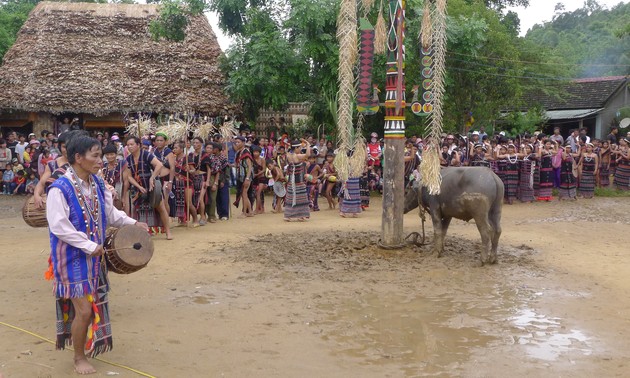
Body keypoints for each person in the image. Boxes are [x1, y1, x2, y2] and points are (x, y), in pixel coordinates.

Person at [46, 135, 148, 375]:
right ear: (78, 158)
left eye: (100, 155)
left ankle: (85, 345)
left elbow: (111, 214)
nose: (100, 160)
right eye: (95, 155)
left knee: (91, 307)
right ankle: (79, 357)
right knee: (83, 310)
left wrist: (134, 223)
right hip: (71, 259)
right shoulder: (59, 188)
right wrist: (89, 245)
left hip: (94, 257)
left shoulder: (98, 185)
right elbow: (59, 226)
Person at [124, 137, 172, 239]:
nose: (130, 147)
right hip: (138, 188)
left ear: (138, 145)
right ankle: (140, 232)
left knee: (161, 207)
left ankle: (168, 231)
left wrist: (152, 177)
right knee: (136, 209)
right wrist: (138, 186)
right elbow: (129, 176)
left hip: (152, 186)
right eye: (128, 145)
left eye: (132, 144)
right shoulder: (128, 159)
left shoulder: (146, 154)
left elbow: (159, 165)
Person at [284, 139, 311, 221]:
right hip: (298, 181)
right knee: (301, 198)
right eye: (299, 148)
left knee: (291, 198)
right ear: (296, 148)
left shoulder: (288, 155)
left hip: (291, 181)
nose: (300, 149)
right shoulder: (298, 156)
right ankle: (301, 215)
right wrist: (308, 144)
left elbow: (287, 149)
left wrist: (289, 146)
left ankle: (289, 215)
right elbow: (308, 154)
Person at [233, 136, 254, 217]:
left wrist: (247, 178)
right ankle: (250, 212)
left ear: (243, 143)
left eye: (238, 142)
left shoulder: (246, 152)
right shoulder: (239, 152)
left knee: (244, 194)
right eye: (236, 142)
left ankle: (245, 212)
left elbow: (250, 167)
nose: (237, 144)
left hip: (246, 176)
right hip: (241, 176)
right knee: (243, 194)